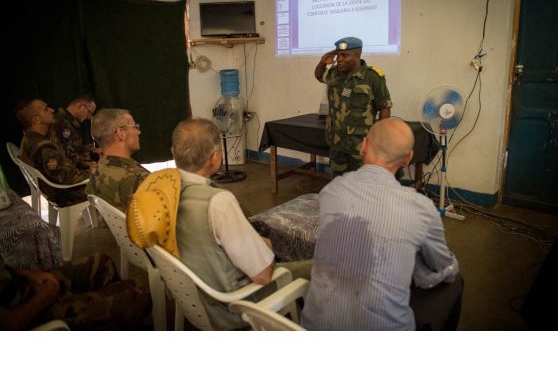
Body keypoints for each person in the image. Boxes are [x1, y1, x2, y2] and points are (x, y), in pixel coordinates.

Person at [301, 118, 463, 331]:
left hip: (312, 328)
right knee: (456, 281)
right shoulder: (421, 208)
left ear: (364, 146)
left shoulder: (331, 190)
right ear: (408, 159)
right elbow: (446, 271)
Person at [169, 118, 279, 329]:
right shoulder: (219, 202)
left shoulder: (162, 194)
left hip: (193, 296)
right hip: (234, 309)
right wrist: (265, 246)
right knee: (314, 269)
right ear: (215, 158)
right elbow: (263, 275)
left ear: (173, 152)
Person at [0, 252, 151, 330]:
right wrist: (46, 294)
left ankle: (100, 313)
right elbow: (12, 324)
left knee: (104, 264)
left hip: (18, 286)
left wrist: (30, 274)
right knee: (138, 296)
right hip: (27, 315)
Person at [314, 36, 393, 176]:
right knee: (338, 183)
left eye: (345, 55)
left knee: (362, 185)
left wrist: (380, 138)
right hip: (337, 143)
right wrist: (322, 62)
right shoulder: (334, 74)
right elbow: (319, 76)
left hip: (361, 145)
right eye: (338, 55)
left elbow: (384, 107)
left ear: (357, 55)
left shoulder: (373, 77)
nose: (339, 59)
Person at [15, 98, 89, 206]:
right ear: (36, 120)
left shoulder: (29, 137)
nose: (52, 110)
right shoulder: (42, 147)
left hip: (57, 189)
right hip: (65, 193)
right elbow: (66, 177)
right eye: (45, 109)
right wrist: (95, 173)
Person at [86, 108, 149, 212]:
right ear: (121, 133)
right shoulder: (138, 178)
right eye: (135, 127)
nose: (139, 132)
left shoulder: (97, 169)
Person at [49, 94, 98, 170]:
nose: (89, 117)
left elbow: (72, 146)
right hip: (67, 170)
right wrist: (88, 163)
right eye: (89, 112)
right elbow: (64, 154)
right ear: (79, 106)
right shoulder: (62, 122)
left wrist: (88, 149)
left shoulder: (70, 122)